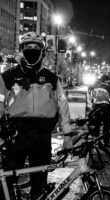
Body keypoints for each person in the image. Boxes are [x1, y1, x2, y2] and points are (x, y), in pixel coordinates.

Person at [0, 32, 72, 199]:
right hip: (16, 136)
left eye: (36, 47)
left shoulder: (51, 78)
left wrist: (68, 135)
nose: (32, 50)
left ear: (42, 52)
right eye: (28, 47)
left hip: (41, 137)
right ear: (22, 50)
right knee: (8, 181)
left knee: (40, 184)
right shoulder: (8, 77)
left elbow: (63, 105)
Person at [92, 75, 110, 147]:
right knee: (106, 125)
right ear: (106, 80)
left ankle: (95, 140)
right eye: (108, 80)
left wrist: (93, 106)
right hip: (106, 109)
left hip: (97, 108)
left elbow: (93, 97)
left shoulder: (96, 87)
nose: (109, 81)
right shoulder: (108, 87)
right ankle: (106, 141)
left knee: (97, 125)